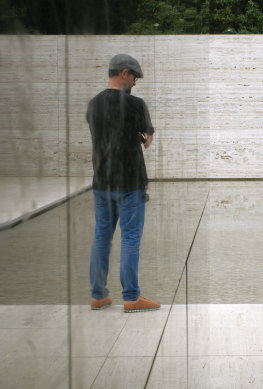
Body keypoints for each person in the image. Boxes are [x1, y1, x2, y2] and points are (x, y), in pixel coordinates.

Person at [86, 54, 160, 313]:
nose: (135, 83)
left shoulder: (93, 104)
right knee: (130, 238)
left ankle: (98, 295)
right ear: (125, 73)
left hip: (102, 182)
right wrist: (143, 136)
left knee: (101, 236)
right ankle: (131, 297)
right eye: (135, 77)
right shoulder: (136, 104)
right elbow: (147, 138)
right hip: (131, 182)